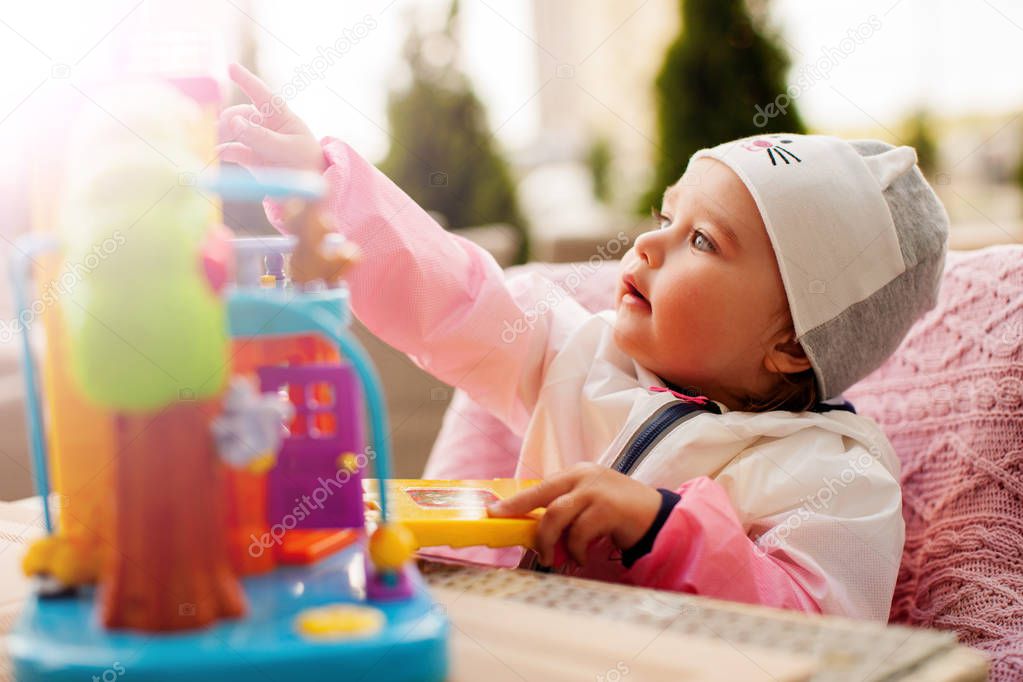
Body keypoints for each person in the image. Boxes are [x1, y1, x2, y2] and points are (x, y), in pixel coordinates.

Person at [218, 63, 949, 621]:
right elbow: (453, 292)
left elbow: (817, 632)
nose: (650, 243)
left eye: (701, 239)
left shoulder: (838, 478)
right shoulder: (578, 355)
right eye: (664, 215)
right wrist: (322, 191)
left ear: (792, 342)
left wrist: (664, 530)